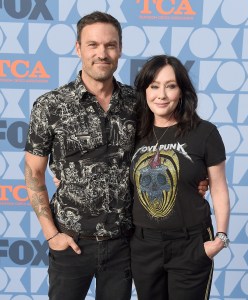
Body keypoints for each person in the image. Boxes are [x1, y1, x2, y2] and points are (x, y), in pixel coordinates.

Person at [24, 11, 209, 300]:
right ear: (78, 48)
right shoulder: (50, 106)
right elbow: (33, 171)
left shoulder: (139, 103)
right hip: (71, 241)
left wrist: (195, 178)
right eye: (93, 45)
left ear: (120, 49)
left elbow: (168, 144)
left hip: (123, 244)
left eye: (110, 45)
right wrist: (51, 234)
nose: (102, 53)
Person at [130, 55, 230, 300]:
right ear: (144, 91)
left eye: (170, 86)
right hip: (144, 245)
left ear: (182, 91)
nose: (161, 95)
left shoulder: (204, 133)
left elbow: (218, 188)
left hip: (191, 243)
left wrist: (221, 237)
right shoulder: (133, 132)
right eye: (154, 86)